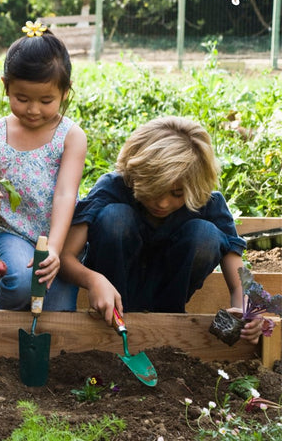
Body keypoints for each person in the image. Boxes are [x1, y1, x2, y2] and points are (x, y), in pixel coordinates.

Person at [59, 116, 262, 343]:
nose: (163, 203)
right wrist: (93, 280)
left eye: (177, 194)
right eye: (154, 190)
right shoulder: (113, 188)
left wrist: (247, 313)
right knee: (115, 218)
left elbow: (239, 282)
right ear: (135, 175)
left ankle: (168, 322)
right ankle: (117, 318)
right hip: (113, 305)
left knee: (205, 235)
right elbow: (65, 258)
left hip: (170, 300)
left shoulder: (208, 203)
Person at [0, 21, 87, 311]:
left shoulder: (70, 137)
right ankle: (1, 331)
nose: (33, 109)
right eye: (21, 98)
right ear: (5, 86)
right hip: (13, 232)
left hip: (59, 234)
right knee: (22, 282)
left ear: (65, 92)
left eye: (46, 100)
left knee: (57, 313)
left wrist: (55, 250)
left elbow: (65, 194)